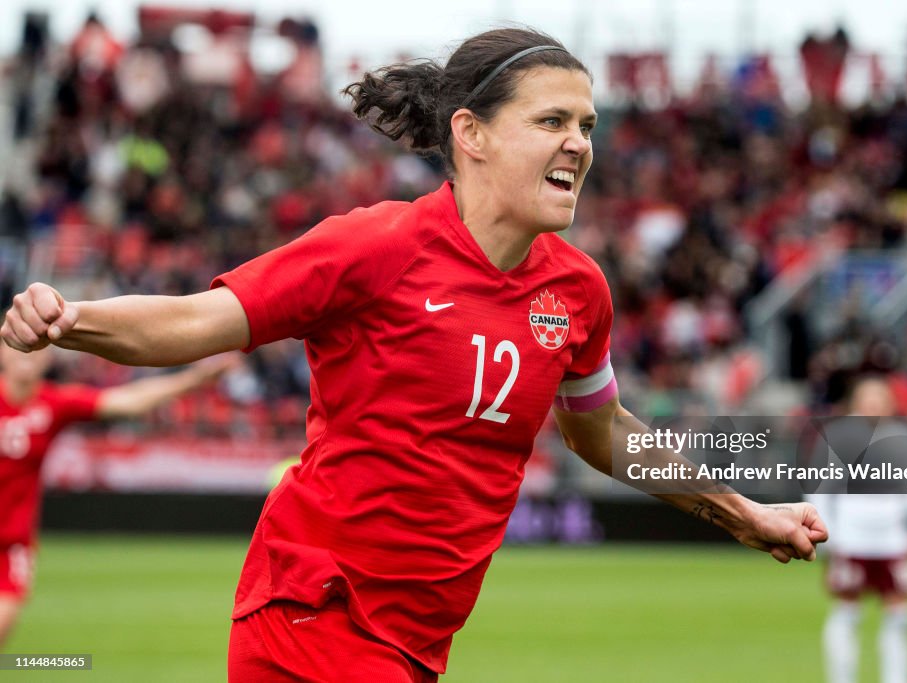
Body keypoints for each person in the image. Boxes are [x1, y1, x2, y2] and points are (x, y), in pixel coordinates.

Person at [3, 28, 828, 682]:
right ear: (469, 134)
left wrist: (743, 513)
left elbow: (601, 430)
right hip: (314, 614)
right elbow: (193, 320)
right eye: (551, 121)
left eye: (587, 126)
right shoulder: (375, 246)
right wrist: (69, 318)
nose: (578, 143)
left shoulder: (579, 292)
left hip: (411, 646)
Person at [0, 342, 232, 648]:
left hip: (13, 542)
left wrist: (193, 379)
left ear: (48, 359)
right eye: (17, 349)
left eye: (36, 351)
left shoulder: (53, 403)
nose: (25, 357)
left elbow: (128, 401)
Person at [806, 377, 907, 683]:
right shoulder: (836, 437)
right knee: (847, 612)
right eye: (868, 398)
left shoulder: (902, 437)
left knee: (901, 615)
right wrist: (827, 533)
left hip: (892, 540)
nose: (874, 405)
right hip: (851, 539)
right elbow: (818, 489)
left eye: (880, 398)